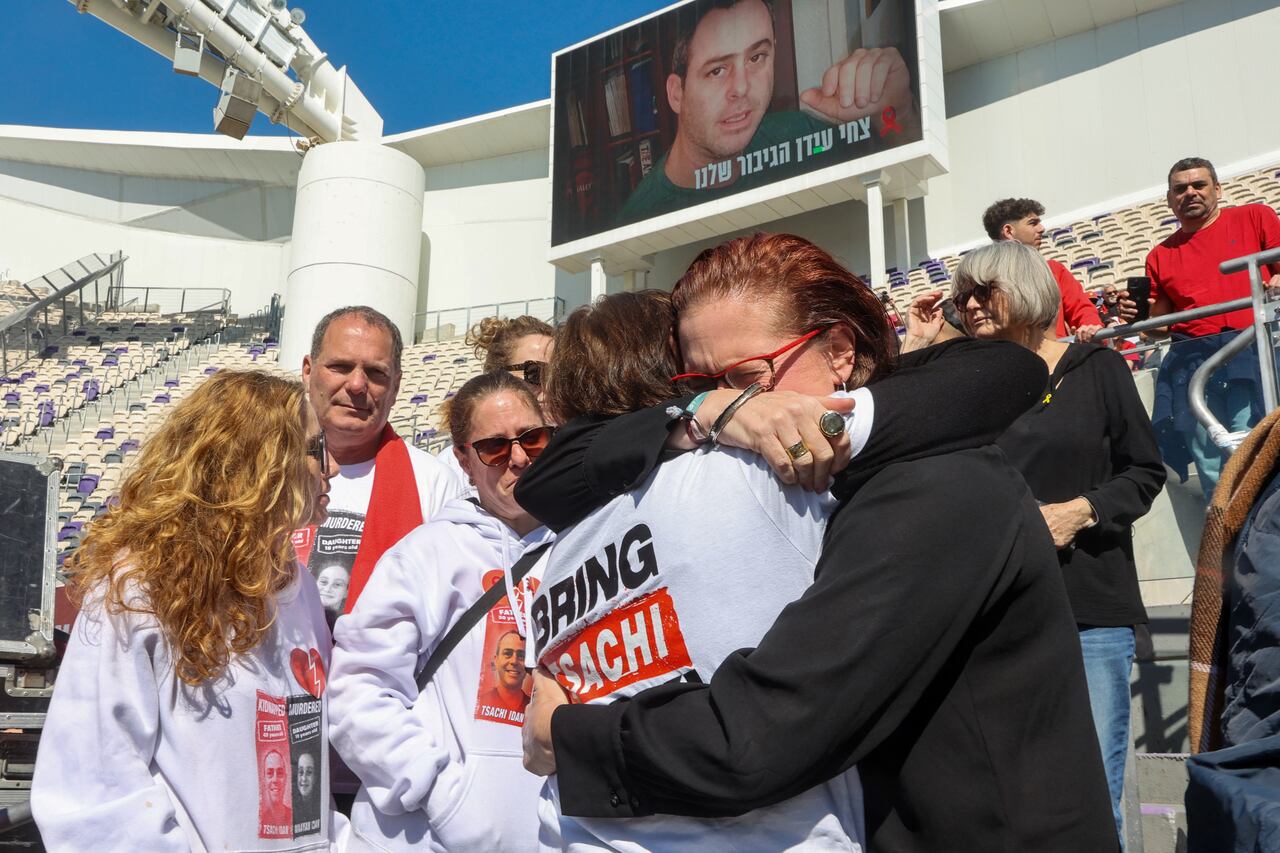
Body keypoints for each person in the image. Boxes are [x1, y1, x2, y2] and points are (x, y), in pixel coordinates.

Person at [521, 234, 1116, 852]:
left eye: (749, 378)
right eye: (706, 382)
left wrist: (563, 736)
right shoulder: (762, 458)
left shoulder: (937, 480)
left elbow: (758, 737)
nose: (741, 410)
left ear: (838, 350)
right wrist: (706, 409)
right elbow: (551, 475)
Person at [909, 240, 1166, 839]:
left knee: (1096, 792)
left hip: (1089, 610)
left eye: (983, 292)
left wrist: (1081, 511)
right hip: (993, 615)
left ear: (1025, 291)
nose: (967, 305)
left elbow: (1145, 472)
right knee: (1011, 792)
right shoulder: (965, 381)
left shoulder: (1096, 366)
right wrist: (920, 347)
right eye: (960, 295)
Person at [31, 370, 345, 850]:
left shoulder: (297, 586)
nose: (334, 468)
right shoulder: (137, 591)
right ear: (257, 464)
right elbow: (91, 789)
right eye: (315, 449)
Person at [327, 370, 556, 852]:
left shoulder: (584, 547)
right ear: (464, 461)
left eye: (532, 439)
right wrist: (439, 792)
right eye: (494, 447)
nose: (517, 459)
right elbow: (357, 691)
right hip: (426, 836)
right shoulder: (425, 554)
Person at [618, 0, 918, 224]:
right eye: (717, 70)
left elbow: (907, 173)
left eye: (757, 57)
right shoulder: (641, 215)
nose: (742, 87)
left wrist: (896, 111)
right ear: (676, 94)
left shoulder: (799, 137)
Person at [297, 306, 462, 618]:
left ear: (396, 386)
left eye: (375, 373)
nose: (357, 385)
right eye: (341, 367)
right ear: (308, 370)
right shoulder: (261, 470)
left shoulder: (434, 482)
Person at [1146, 156, 1280, 499]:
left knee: (1252, 447)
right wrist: (1140, 317)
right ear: (1169, 199)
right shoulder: (1159, 255)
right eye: (1180, 188)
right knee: (1208, 458)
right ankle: (1225, 542)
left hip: (1251, 351)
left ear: (1217, 189)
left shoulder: (1254, 217)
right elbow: (1156, 326)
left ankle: (1264, 535)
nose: (1190, 193)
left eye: (1199, 185)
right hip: (1192, 363)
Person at [982, 197, 1113, 341]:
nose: (1041, 228)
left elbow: (1081, 309)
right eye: (1033, 223)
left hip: (1057, 358)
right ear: (1008, 231)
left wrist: (1091, 326)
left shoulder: (1054, 270)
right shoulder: (983, 279)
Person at [479, 630, 531, 715]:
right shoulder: (480, 703)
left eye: (521, 656)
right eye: (507, 653)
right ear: (496, 660)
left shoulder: (535, 710)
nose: (514, 661)